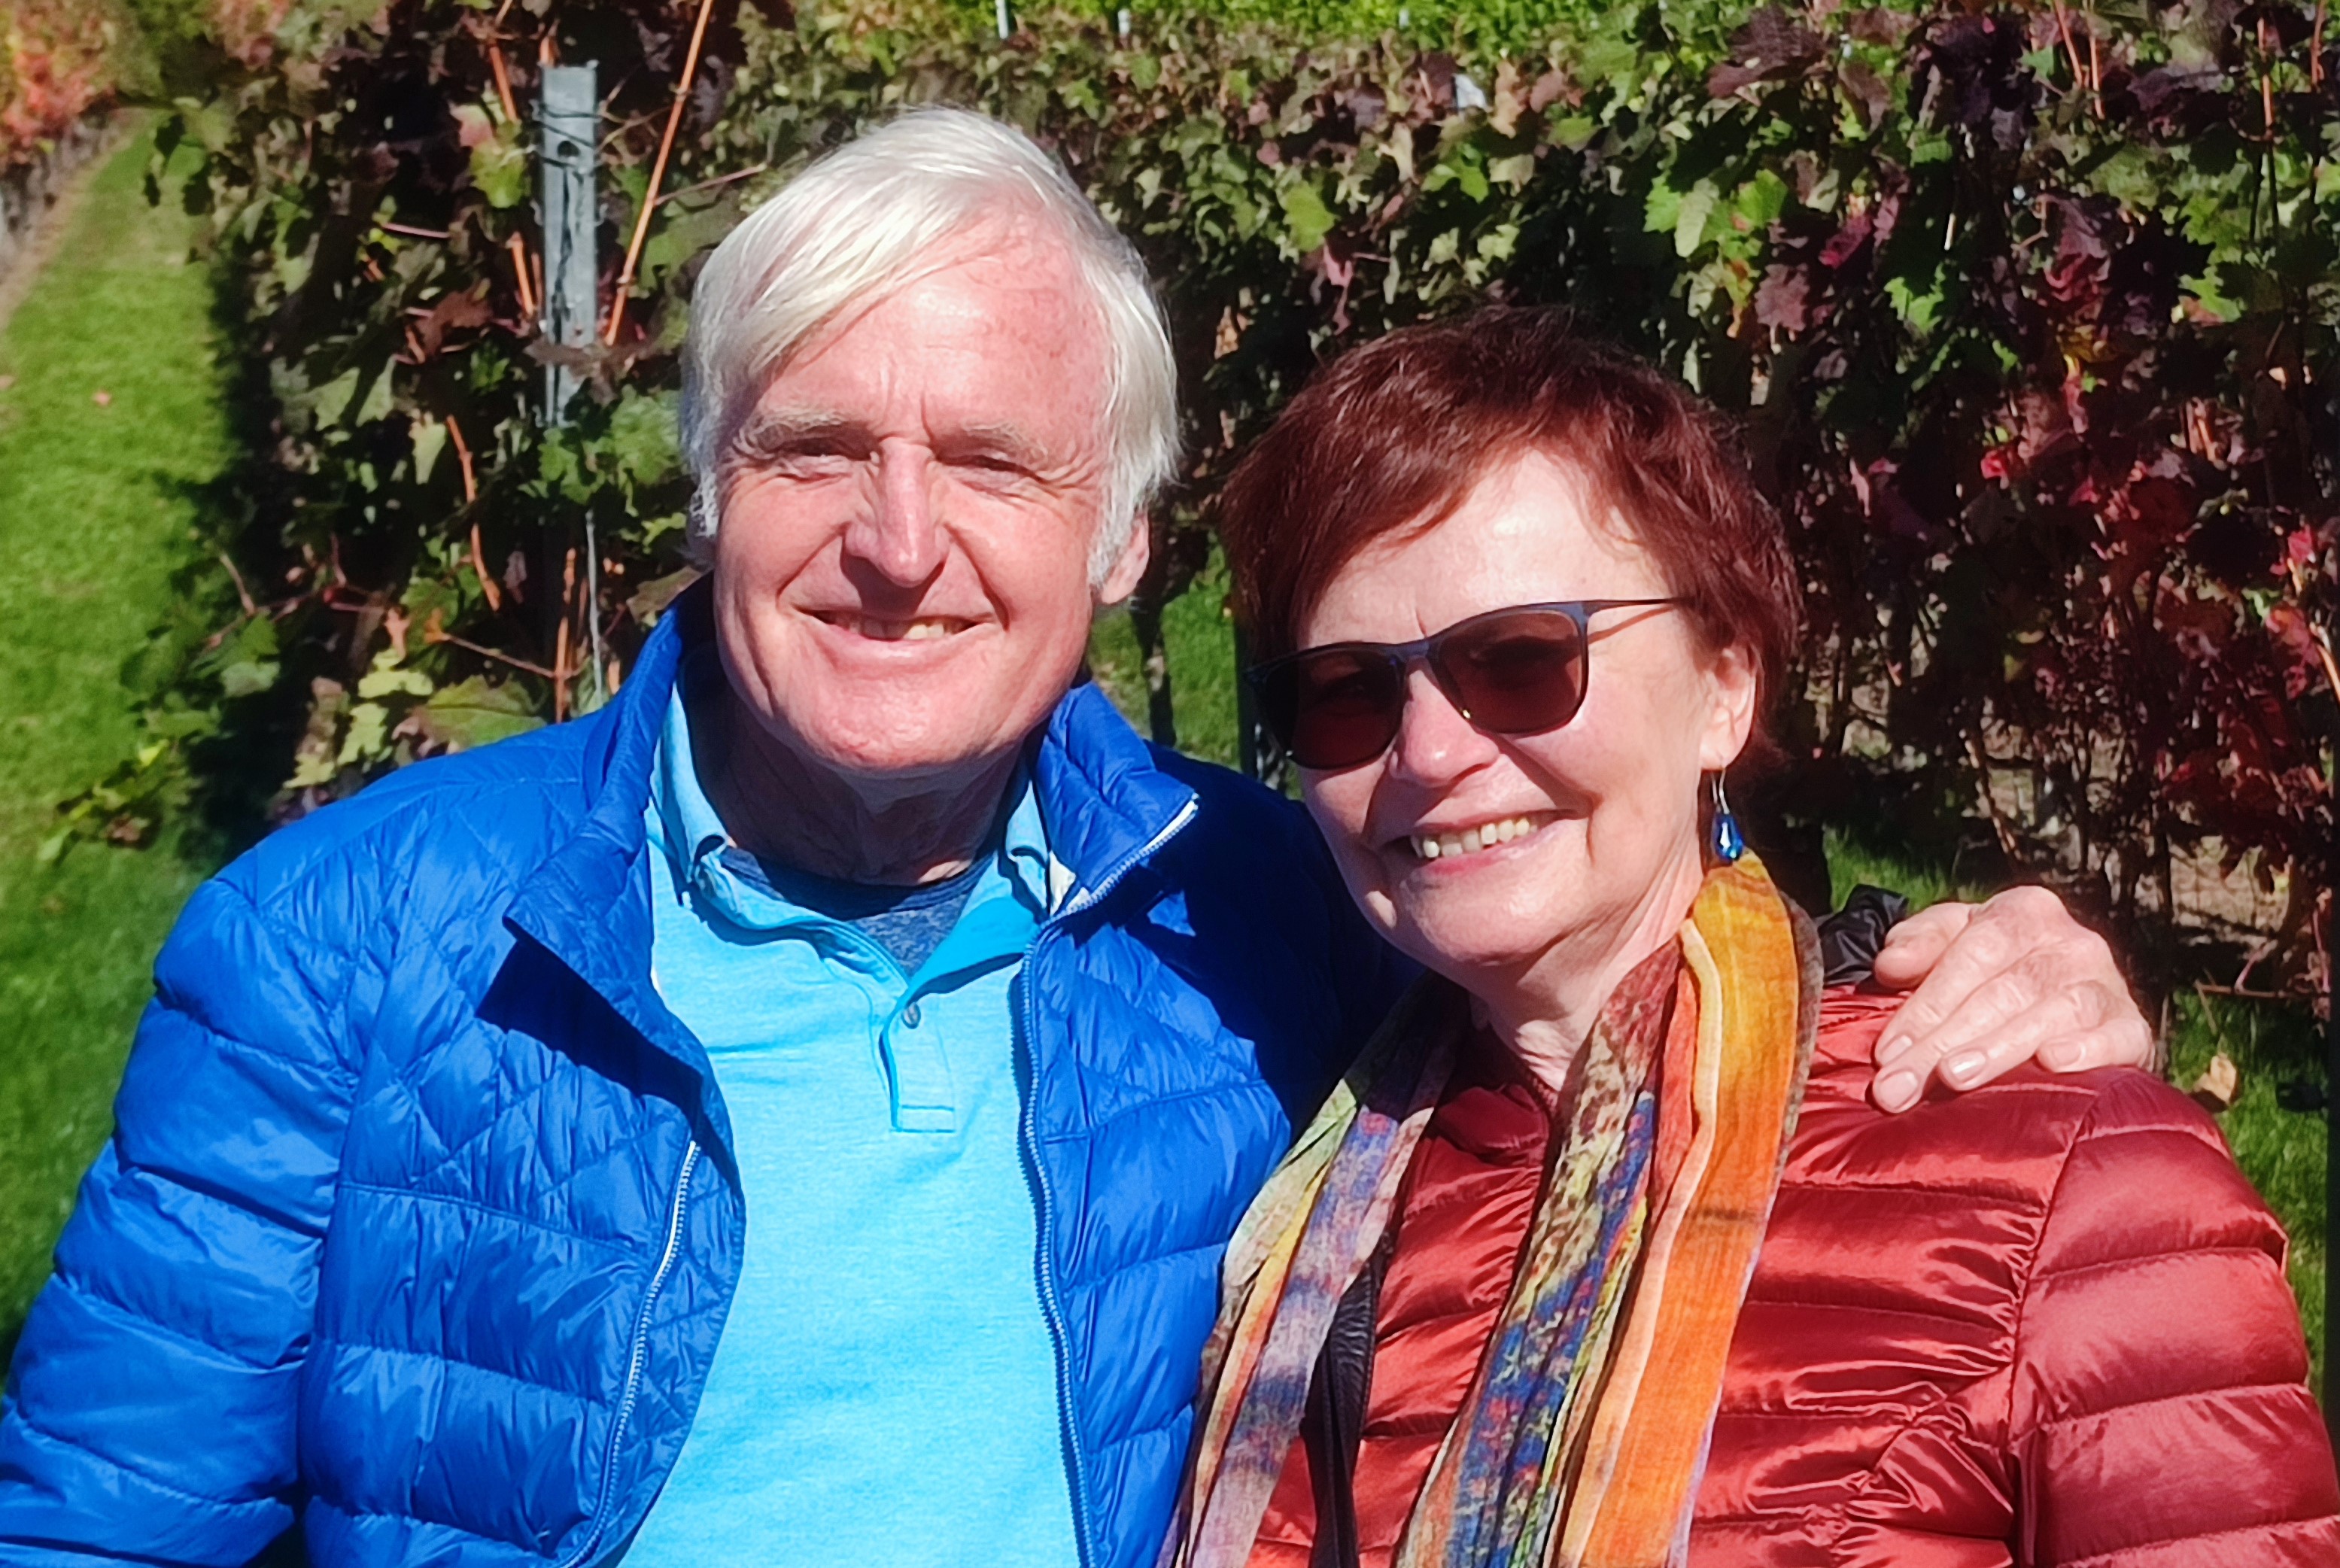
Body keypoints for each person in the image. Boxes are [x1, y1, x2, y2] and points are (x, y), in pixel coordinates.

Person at [0, 114, 2153, 1568]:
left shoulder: (1260, 907)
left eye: (992, 463)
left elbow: (1582, 897)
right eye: (813, 448)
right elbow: (100, 1525)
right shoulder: (351, 942)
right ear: (707, 491)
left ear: (1120, 541)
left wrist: (1932, 951)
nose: (896, 542)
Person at [1163, 308, 2340, 1568]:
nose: (1430, 753)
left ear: (1723, 685)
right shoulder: (1310, 1186)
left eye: (1516, 660)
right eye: (1346, 693)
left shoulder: (2066, 1175)